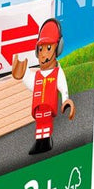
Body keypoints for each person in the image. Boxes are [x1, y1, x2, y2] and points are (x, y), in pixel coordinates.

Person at [11, 18, 75, 154]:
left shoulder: (57, 73)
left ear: (58, 48)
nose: (43, 54)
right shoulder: (37, 75)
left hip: (48, 106)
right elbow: (31, 84)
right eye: (40, 49)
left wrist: (66, 100)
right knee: (40, 124)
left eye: (48, 48)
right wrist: (23, 74)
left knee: (46, 124)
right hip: (38, 107)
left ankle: (46, 141)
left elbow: (63, 88)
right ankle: (39, 142)